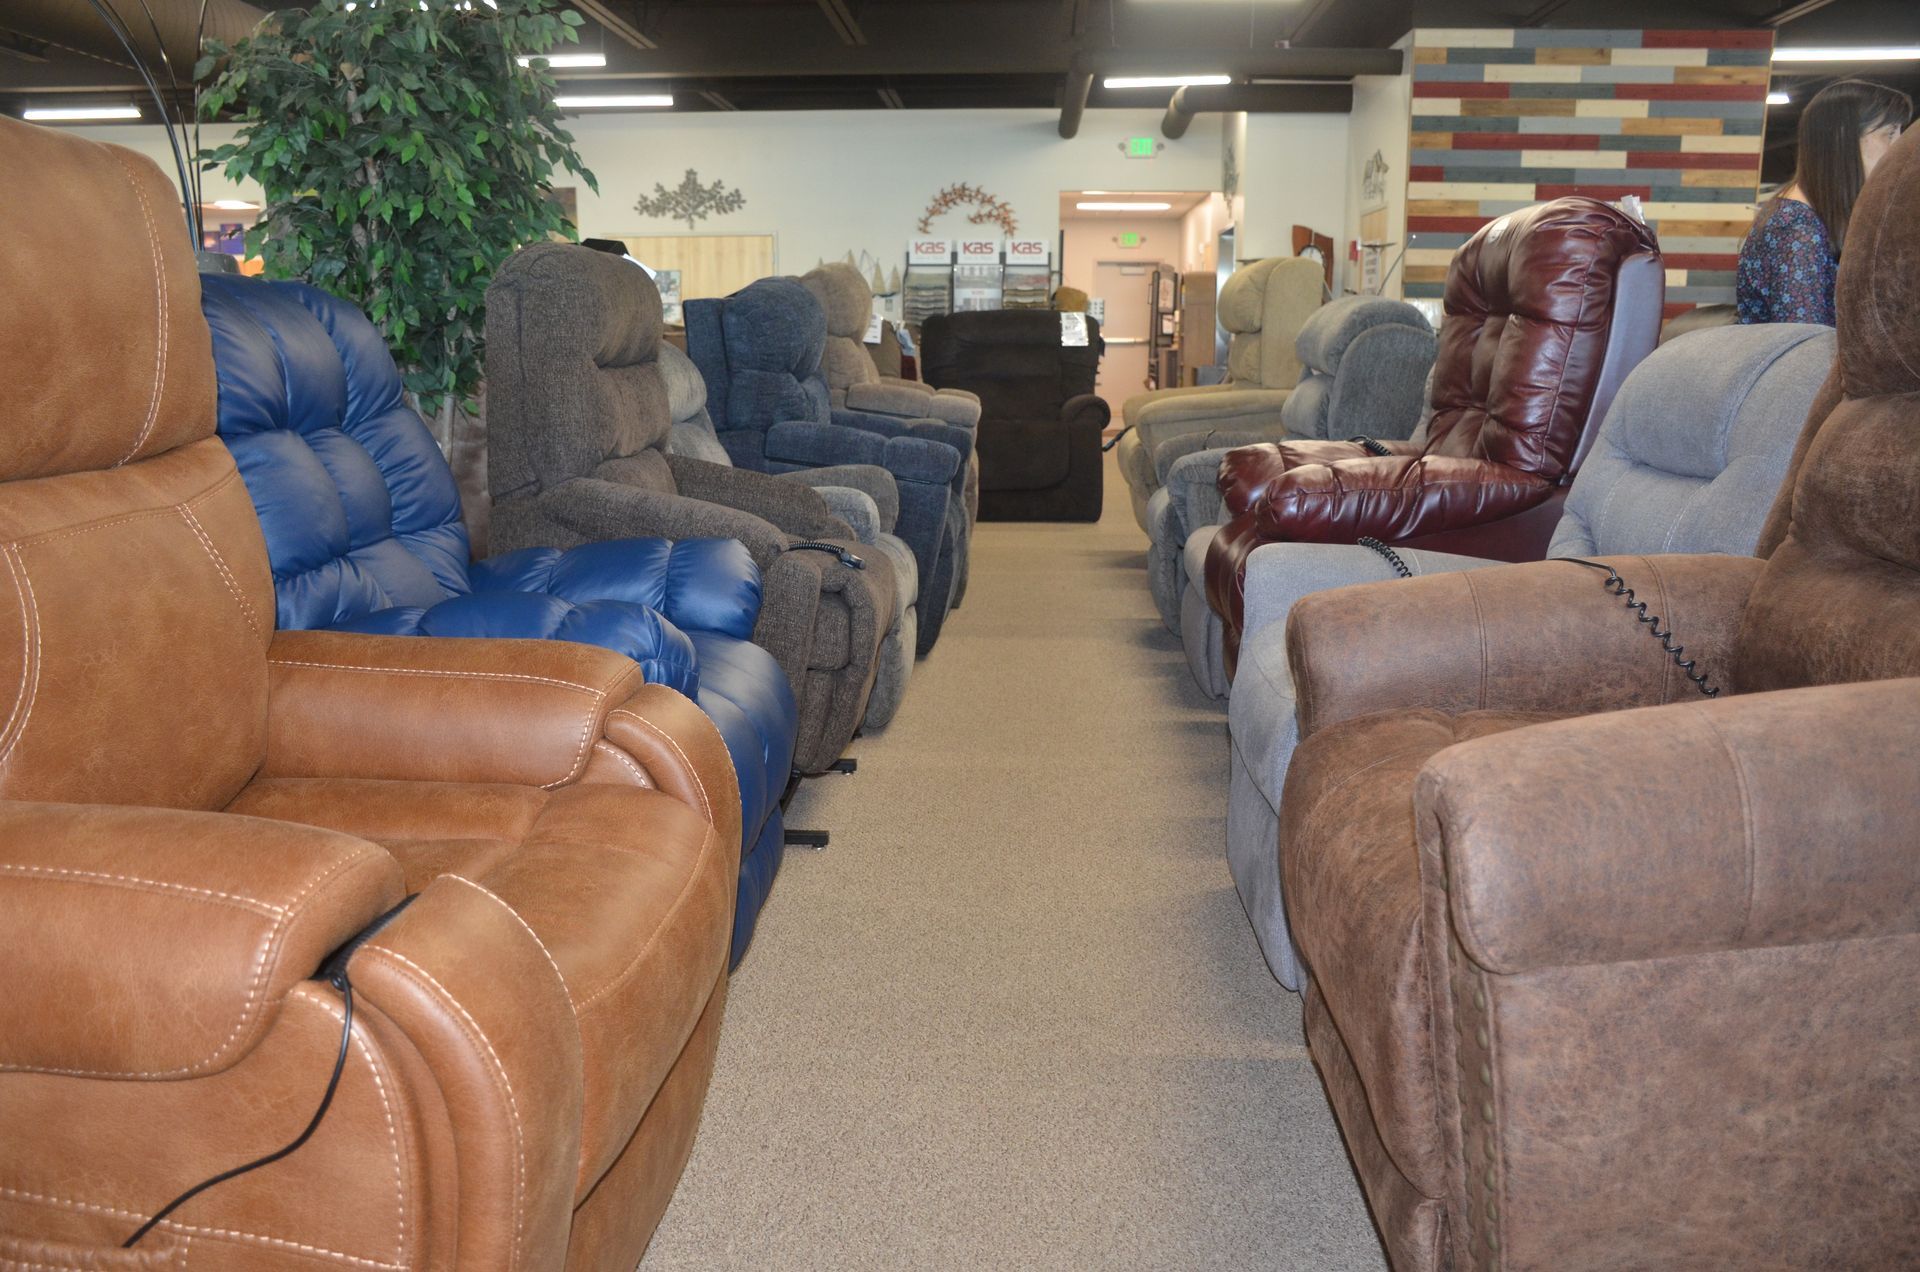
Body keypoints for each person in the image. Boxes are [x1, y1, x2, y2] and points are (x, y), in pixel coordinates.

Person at [1737, 79, 1910, 326]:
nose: (1899, 147)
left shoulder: (1813, 220)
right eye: (1889, 134)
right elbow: (1805, 348)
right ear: (1844, 138)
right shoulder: (1797, 228)